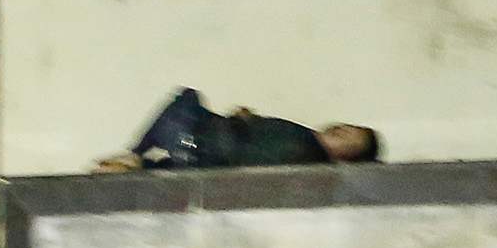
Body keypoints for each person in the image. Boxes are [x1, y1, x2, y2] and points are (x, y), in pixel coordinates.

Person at [103, 87, 384, 171]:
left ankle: (134, 156)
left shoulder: (303, 149)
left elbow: (240, 153)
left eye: (349, 137)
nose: (341, 129)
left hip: (197, 146)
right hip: (202, 146)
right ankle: (135, 160)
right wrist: (246, 121)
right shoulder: (304, 139)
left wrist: (236, 126)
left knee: (184, 106)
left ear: (346, 159)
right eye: (348, 126)